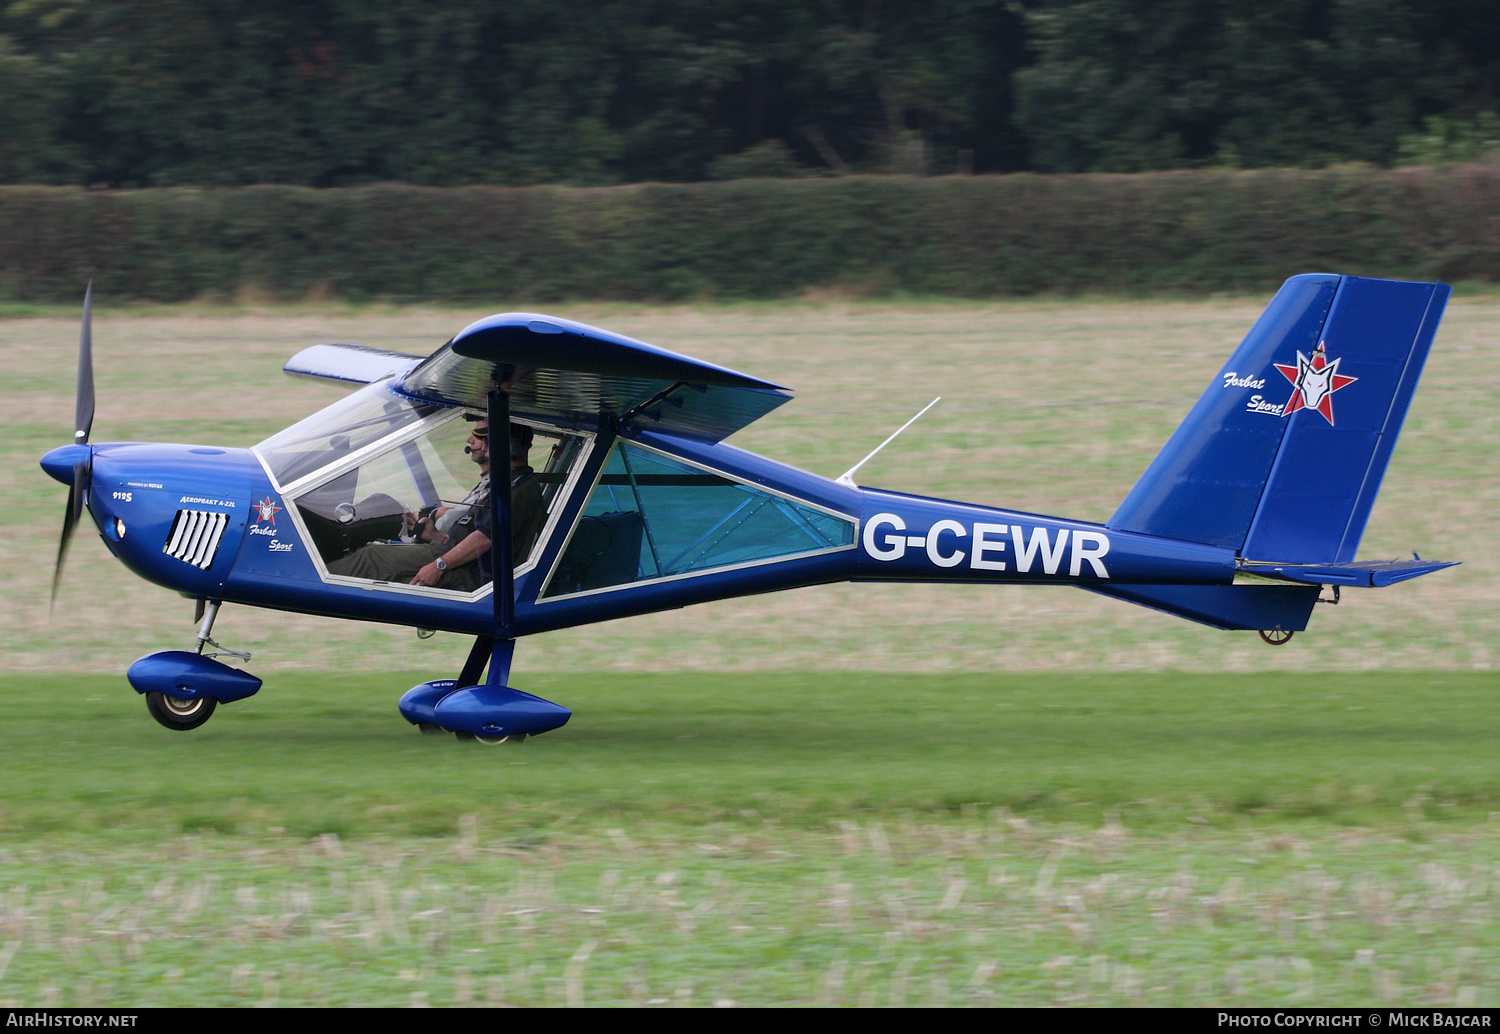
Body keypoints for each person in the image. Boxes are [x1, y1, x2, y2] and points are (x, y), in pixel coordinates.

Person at [326, 418, 542, 591]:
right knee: (377, 545)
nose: (483, 447)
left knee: (371, 558)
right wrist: (435, 536)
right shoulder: (508, 482)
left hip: (470, 573)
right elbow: (475, 531)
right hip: (455, 557)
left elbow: (484, 539)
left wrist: (439, 565)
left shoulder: (513, 489)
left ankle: (315, 576)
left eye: (487, 440)